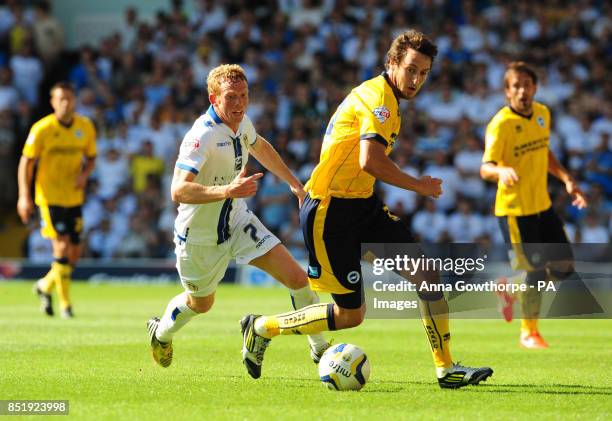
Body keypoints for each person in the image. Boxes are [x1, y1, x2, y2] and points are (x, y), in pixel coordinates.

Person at [240, 30, 493, 389]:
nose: (417, 79)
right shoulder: (380, 101)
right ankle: (262, 327)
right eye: (411, 69)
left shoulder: (387, 99)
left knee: (426, 274)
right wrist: (417, 185)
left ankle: (446, 368)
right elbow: (370, 160)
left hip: (363, 206)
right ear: (392, 63)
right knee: (350, 316)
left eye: (424, 73)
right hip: (330, 212)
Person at [146, 64, 329, 376]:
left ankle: (320, 349)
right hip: (198, 237)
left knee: (298, 280)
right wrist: (227, 189)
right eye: (231, 97)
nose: (239, 104)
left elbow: (260, 145)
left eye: (244, 96)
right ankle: (160, 334)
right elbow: (178, 190)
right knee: (201, 303)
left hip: (237, 221)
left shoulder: (242, 122)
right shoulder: (201, 136)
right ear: (213, 98)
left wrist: (294, 184)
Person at [480, 61, 589, 349]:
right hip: (515, 211)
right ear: (507, 91)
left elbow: (544, 151)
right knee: (536, 274)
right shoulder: (500, 124)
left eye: (526, 85)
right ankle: (529, 332)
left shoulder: (543, 114)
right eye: (516, 86)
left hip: (543, 206)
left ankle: (510, 288)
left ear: (535, 88)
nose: (522, 91)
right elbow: (485, 168)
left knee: (565, 268)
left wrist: (566, 178)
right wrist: (500, 171)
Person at [17, 82, 97, 318]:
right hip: (49, 197)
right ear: (52, 102)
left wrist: (84, 175)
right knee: (61, 246)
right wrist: (24, 196)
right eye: (61, 98)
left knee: (73, 255)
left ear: (75, 100)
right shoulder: (42, 129)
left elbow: (91, 158)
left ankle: (44, 286)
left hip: (74, 197)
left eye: (69, 98)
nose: (65, 102)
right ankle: (65, 306)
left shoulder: (85, 127)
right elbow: (26, 162)